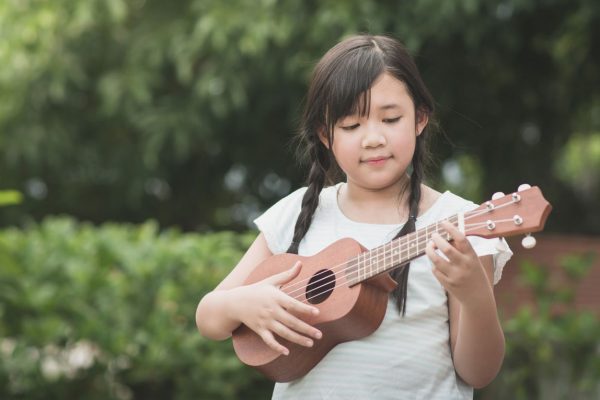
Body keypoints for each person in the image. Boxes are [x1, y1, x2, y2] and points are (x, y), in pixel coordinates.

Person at [195, 34, 512, 399]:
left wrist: (473, 294)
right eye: (350, 126)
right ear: (324, 135)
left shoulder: (458, 223)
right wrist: (244, 303)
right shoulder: (299, 212)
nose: (373, 138)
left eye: (390, 119)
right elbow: (209, 317)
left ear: (420, 118)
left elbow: (479, 371)